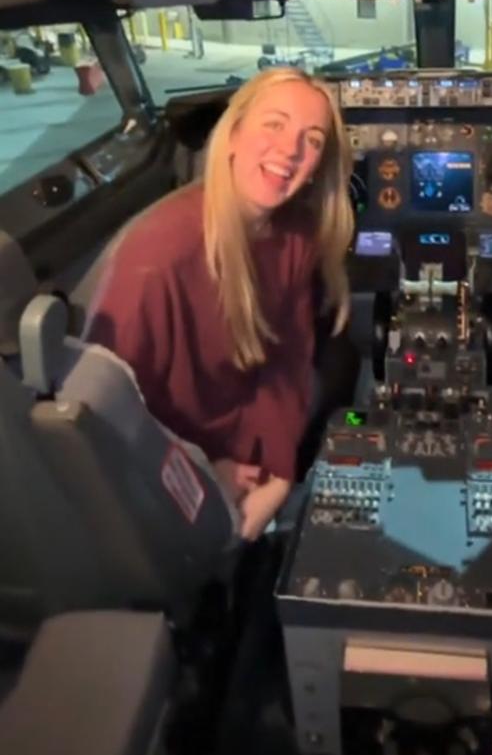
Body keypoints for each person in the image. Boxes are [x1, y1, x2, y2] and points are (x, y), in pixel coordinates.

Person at [85, 67, 354, 541]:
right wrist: (205, 470)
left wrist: (278, 470)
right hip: (176, 463)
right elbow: (112, 424)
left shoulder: (293, 235)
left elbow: (285, 364)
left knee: (340, 352)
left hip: (240, 435)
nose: (290, 151)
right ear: (233, 132)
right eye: (274, 124)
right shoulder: (156, 258)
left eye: (311, 139)